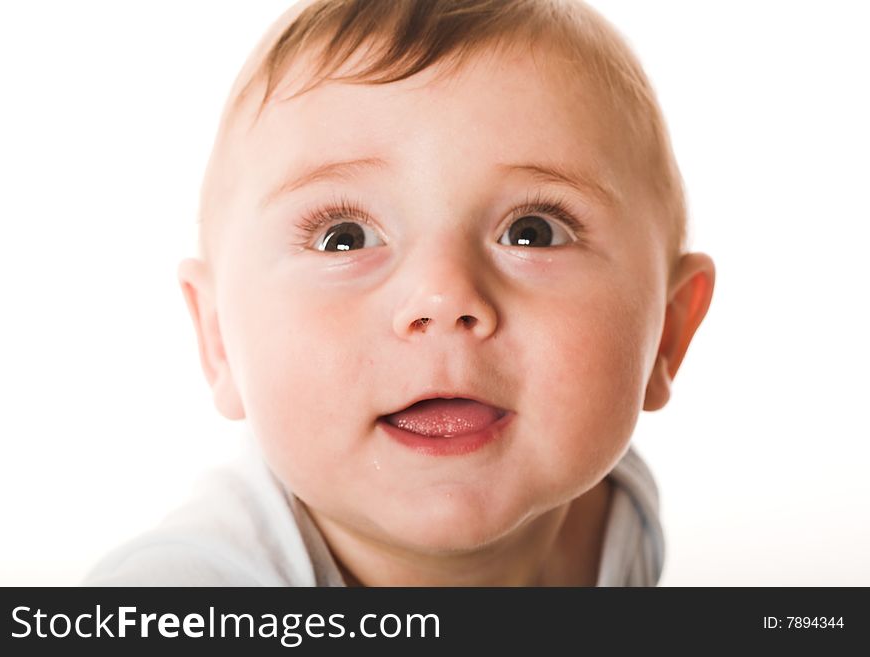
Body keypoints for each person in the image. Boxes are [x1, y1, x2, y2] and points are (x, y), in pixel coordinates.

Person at [83, 0, 715, 587]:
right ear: (218, 339)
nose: (443, 297)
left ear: (667, 331)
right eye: (343, 237)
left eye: (533, 232)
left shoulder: (615, 515)